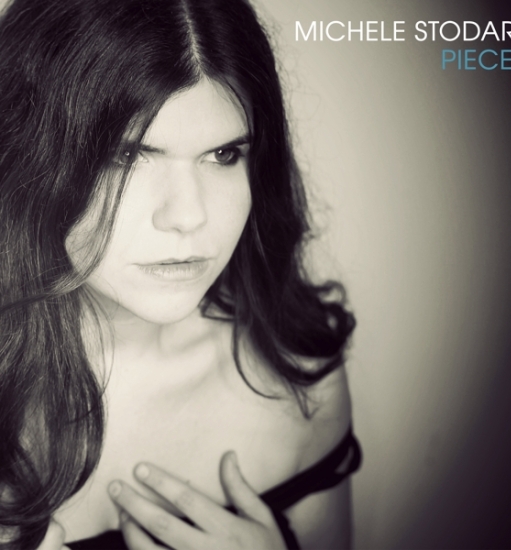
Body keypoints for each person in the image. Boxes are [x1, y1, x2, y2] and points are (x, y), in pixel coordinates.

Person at [0, 0, 360, 549]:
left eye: (223, 155)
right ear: (28, 157)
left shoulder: (295, 372)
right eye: (127, 156)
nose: (189, 215)